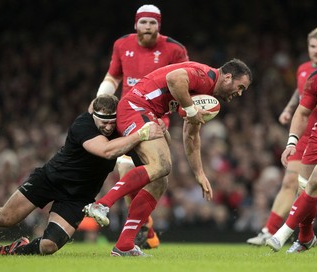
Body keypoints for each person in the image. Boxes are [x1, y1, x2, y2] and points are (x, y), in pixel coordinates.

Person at [0, 94, 165, 255]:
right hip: (50, 179)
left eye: (113, 121)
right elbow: (107, 150)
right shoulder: (82, 124)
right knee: (7, 218)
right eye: (103, 121)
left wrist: (159, 133)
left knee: (49, 246)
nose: (108, 126)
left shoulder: (121, 131)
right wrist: (141, 134)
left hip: (78, 197)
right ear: (94, 115)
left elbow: (147, 159)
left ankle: (15, 249)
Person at [83, 59, 252, 256]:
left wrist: (199, 173)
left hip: (147, 114)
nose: (239, 93)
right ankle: (102, 205)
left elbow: (191, 136)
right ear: (228, 77)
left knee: (160, 182)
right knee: (162, 164)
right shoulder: (205, 76)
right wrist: (190, 110)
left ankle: (124, 244)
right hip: (136, 108)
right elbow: (174, 79)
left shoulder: (204, 95)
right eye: (240, 87)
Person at [88, 4, 189, 249]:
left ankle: (140, 228)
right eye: (143, 22)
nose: (148, 27)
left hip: (157, 121)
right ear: (136, 24)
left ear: (159, 25)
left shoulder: (175, 49)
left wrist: (188, 109)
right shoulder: (122, 44)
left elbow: (186, 80)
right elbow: (113, 76)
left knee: (157, 175)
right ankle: (145, 228)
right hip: (127, 117)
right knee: (126, 175)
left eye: (152, 23)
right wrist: (100, 100)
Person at [246, 25, 317, 246]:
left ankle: (301, 235)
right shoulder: (304, 70)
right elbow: (300, 93)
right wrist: (289, 109)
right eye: (313, 47)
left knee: (314, 183)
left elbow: (316, 101)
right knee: (293, 182)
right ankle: (270, 231)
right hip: (304, 135)